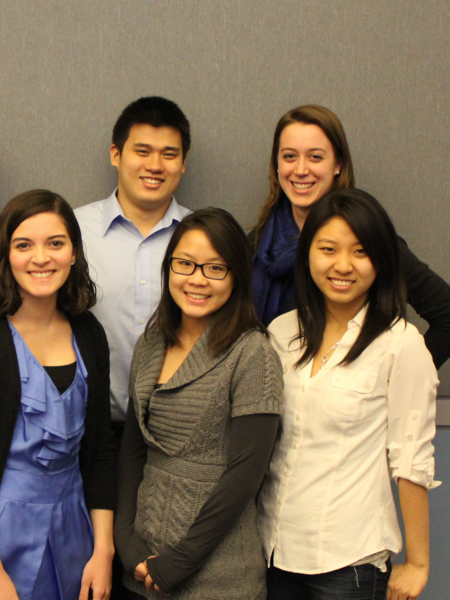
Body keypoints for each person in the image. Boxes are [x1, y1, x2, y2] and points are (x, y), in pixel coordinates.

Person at [259, 188, 439, 600]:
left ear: (381, 261)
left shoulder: (400, 344)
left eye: (360, 252)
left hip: (349, 562)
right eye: (328, 249)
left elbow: (411, 458)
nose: (342, 265)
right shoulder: (281, 333)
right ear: (308, 254)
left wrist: (418, 562)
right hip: (272, 548)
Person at [0, 190, 116, 600]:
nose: (41, 258)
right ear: (5, 254)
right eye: (24, 245)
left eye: (56, 243)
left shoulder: (88, 332)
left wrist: (103, 549)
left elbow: (101, 450)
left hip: (75, 532)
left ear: (73, 253)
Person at [116, 209, 282, 599]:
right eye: (185, 264)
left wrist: (178, 562)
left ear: (237, 276)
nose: (197, 279)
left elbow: (245, 477)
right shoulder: (152, 342)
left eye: (215, 268)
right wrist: (126, 541)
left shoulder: (253, 353)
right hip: (140, 568)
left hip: (219, 577)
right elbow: (131, 450)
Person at [251, 104, 450, 368]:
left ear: (338, 165)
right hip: (272, 400)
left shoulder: (370, 239)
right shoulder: (256, 245)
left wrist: (394, 377)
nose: (300, 170)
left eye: (315, 157)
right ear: (276, 165)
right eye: (289, 156)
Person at [75, 97, 192, 597]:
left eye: (169, 153)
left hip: (177, 446)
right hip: (90, 438)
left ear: (183, 163)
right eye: (142, 150)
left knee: (163, 577)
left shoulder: (202, 236)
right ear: (115, 154)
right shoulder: (70, 233)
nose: (155, 165)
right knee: (92, 575)